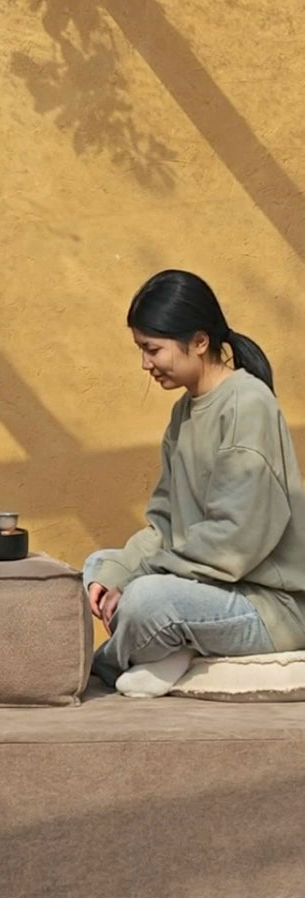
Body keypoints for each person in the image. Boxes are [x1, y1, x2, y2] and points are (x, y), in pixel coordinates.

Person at [84, 269, 305, 697]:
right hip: (209, 585)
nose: (145, 364)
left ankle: (109, 663)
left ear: (200, 342)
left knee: (149, 599)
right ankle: (168, 651)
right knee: (96, 566)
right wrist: (116, 575)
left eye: (152, 349)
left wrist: (139, 581)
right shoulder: (184, 413)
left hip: (268, 605)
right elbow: (164, 523)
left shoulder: (248, 404)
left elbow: (236, 541)